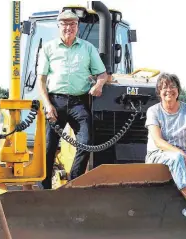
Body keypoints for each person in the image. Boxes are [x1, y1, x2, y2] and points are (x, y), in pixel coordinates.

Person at [36, 10, 108, 189]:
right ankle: (44, 189)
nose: (69, 27)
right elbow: (41, 80)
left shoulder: (87, 48)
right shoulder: (48, 48)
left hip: (79, 102)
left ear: (77, 27)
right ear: (59, 26)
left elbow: (102, 73)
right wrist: (47, 105)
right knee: (48, 147)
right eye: (65, 24)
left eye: (72, 24)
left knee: (86, 142)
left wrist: (98, 85)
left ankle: (74, 181)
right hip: (55, 101)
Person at [144, 73, 186, 226]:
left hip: (183, 153)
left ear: (178, 90)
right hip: (158, 154)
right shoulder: (153, 111)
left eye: (173, 86)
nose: (169, 90)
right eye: (164, 87)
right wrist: (183, 154)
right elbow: (158, 141)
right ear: (159, 92)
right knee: (177, 158)